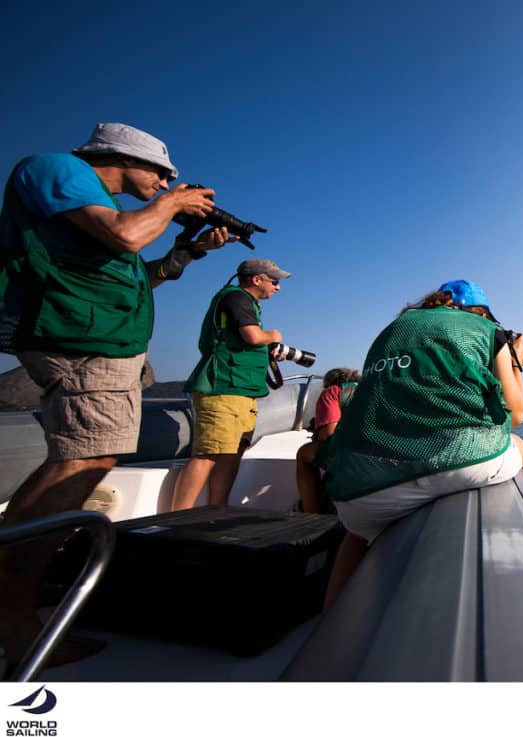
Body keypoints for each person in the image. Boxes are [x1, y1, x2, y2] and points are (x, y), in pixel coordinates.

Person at [0, 123, 233, 670]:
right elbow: (127, 237)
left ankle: (15, 598)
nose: (165, 182)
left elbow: (130, 274)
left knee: (85, 456)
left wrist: (187, 252)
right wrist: (173, 202)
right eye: (160, 172)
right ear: (122, 156)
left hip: (100, 343)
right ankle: (13, 612)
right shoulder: (60, 171)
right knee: (86, 457)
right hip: (82, 346)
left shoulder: (99, 213)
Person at [321, 279, 523, 607]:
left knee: (355, 536)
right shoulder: (485, 329)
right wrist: (513, 359)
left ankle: (330, 629)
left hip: (355, 494)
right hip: (459, 464)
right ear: (479, 311)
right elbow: (515, 413)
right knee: (515, 441)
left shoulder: (394, 328)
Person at [170, 258, 291, 510]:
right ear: (256, 279)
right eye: (274, 281)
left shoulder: (247, 303)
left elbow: (243, 341)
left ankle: (218, 510)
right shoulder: (237, 298)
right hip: (223, 388)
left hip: (241, 391)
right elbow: (253, 336)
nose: (278, 288)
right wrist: (273, 336)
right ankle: (175, 519)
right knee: (208, 453)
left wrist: (267, 351)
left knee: (231, 454)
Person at [295, 367, 361, 514]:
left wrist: (317, 435)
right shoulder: (369, 391)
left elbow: (328, 434)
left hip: (352, 454)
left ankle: (311, 514)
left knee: (304, 454)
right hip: (380, 450)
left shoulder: (333, 392)